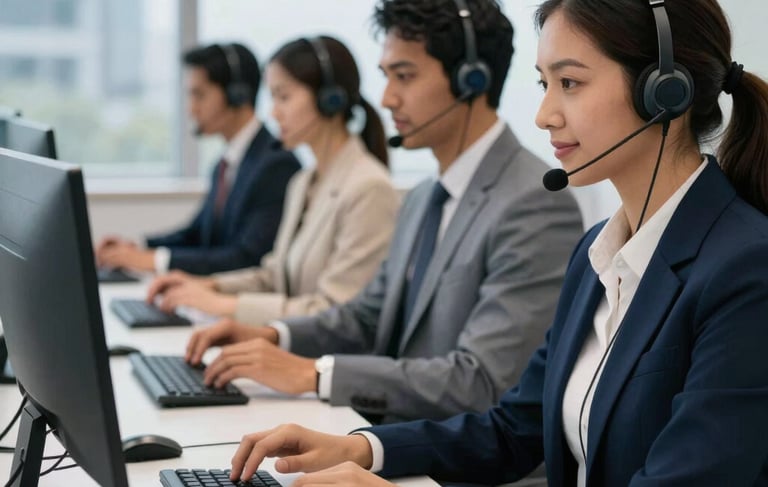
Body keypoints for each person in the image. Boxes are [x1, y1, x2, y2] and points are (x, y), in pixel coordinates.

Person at [222, 0, 768, 485]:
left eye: (570, 83)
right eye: (543, 83)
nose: (544, 114)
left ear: (665, 93)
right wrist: (364, 448)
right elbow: (515, 428)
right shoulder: (597, 252)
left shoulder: (746, 269)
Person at [183, 0, 583, 426]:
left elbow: (480, 381)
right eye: (386, 77)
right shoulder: (422, 198)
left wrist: (312, 374)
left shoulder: (533, 203)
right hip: (399, 433)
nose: (388, 98)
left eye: (404, 77)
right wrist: (272, 335)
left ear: (472, 80)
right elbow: (365, 317)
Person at [143, 36, 399, 325]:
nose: (274, 113)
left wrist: (224, 304)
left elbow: (335, 311)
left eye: (284, 97)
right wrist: (210, 286)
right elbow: (274, 275)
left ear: (330, 99)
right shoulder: (303, 182)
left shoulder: (369, 188)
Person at [96, 43, 301, 275]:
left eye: (199, 95)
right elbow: (197, 233)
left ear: (237, 94)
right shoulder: (226, 163)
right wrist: (137, 248)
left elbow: (247, 257)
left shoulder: (276, 165)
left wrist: (154, 261)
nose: (191, 109)